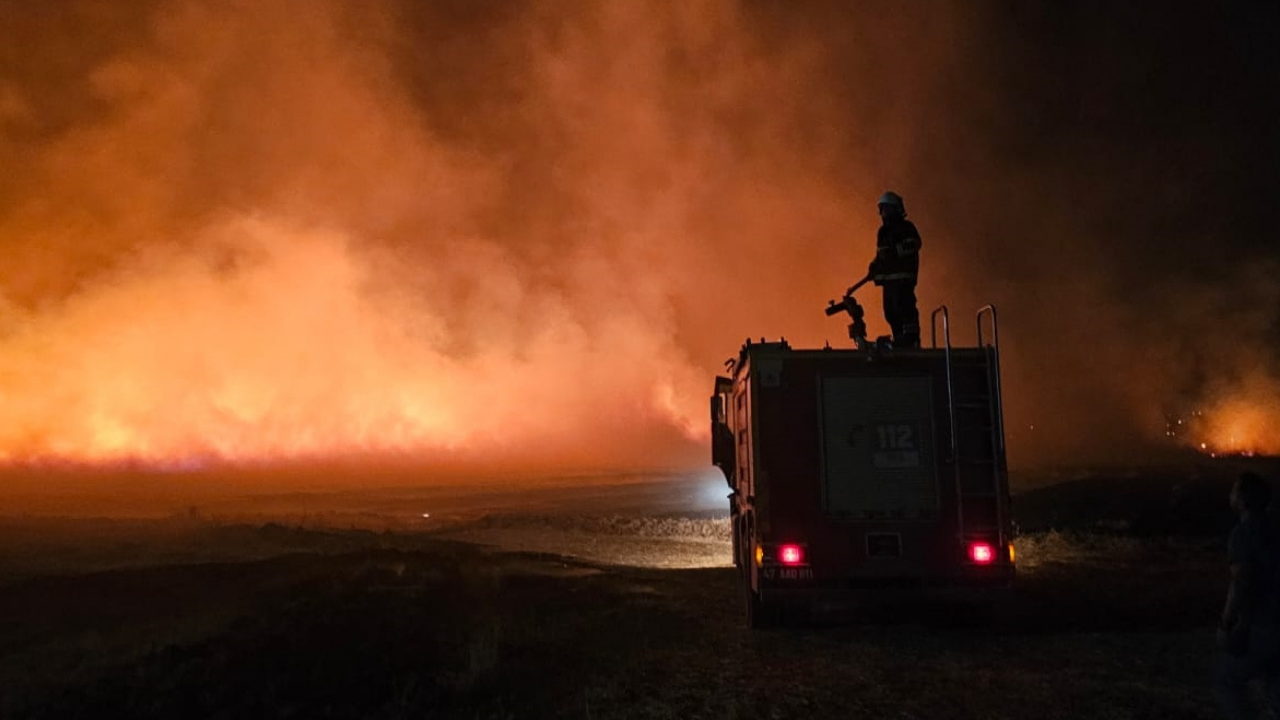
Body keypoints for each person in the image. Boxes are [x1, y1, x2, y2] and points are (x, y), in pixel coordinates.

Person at [1216, 471, 1280, 719]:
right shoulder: (1274, 527)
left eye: (1233, 491)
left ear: (1242, 500)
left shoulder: (1242, 535)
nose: (1229, 496)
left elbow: (1241, 581)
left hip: (1263, 624)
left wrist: (1227, 621)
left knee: (1226, 680)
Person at [854, 191, 922, 349]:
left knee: (905, 308)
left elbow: (914, 244)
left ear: (896, 209)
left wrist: (896, 250)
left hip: (903, 279)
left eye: (886, 209)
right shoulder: (882, 232)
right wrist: (874, 266)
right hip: (888, 282)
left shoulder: (907, 227)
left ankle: (911, 340)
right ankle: (899, 339)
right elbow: (881, 255)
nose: (884, 213)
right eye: (882, 210)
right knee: (890, 312)